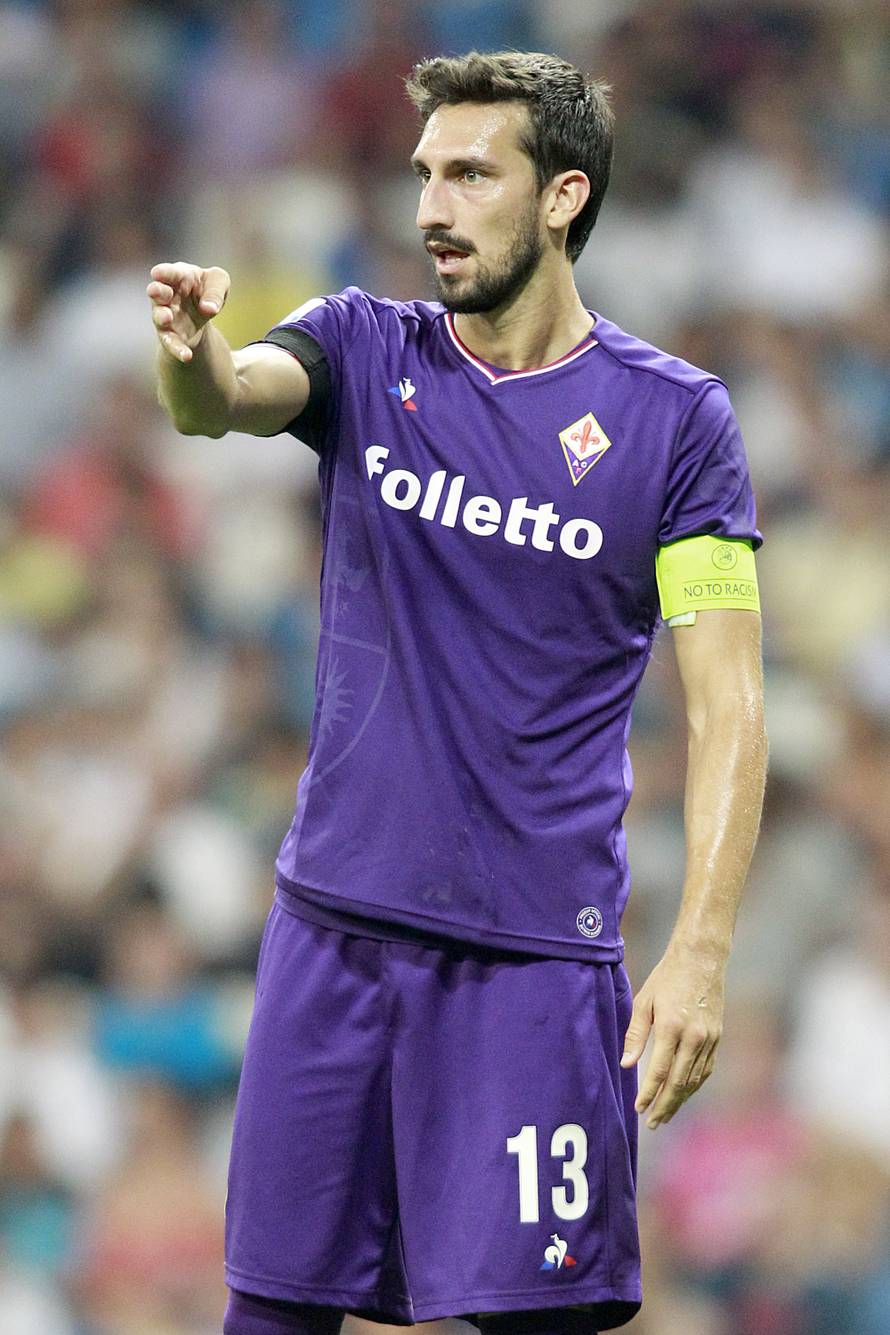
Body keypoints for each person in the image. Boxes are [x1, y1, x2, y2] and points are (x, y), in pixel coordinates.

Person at [148, 50, 767, 1335]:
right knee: (271, 1312)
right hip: (331, 934)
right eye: (424, 173)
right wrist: (193, 353)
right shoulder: (363, 350)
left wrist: (699, 955)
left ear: (560, 195)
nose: (431, 205)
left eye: (470, 173)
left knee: (536, 1323)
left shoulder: (675, 425)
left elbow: (727, 708)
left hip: (533, 964)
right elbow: (224, 403)